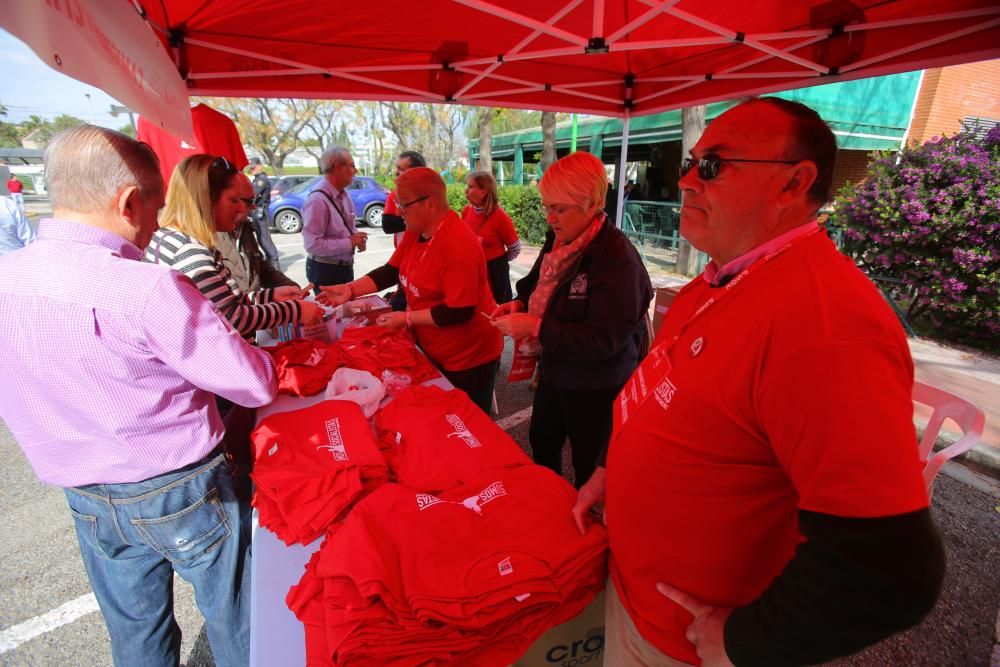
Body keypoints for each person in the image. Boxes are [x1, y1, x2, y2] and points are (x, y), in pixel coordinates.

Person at [572, 98, 944, 667]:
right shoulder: (721, 278)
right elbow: (659, 398)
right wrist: (607, 469)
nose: (688, 181)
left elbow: (891, 568)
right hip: (639, 602)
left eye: (713, 166)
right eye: (690, 163)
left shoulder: (826, 324)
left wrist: (750, 642)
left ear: (794, 183)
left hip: (689, 646)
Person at [0, 125, 277, 667]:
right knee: (236, 616)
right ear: (129, 203)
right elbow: (252, 381)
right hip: (182, 486)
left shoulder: (6, 277)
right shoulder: (148, 287)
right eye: (155, 211)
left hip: (85, 492)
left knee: (135, 632)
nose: (157, 226)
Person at [490, 151, 651, 489]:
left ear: (592, 204)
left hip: (597, 383)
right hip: (557, 369)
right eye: (546, 207)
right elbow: (535, 283)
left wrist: (535, 327)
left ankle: (587, 524)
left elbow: (604, 341)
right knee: (543, 439)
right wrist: (519, 304)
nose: (549, 218)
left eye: (558, 208)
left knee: (588, 461)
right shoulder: (561, 237)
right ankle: (551, 505)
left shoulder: (618, 261)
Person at [318, 167, 503, 413]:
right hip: (435, 344)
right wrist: (350, 290)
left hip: (469, 355)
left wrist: (405, 318)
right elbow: (391, 270)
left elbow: (459, 311)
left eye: (404, 205)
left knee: (468, 422)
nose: (398, 212)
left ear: (431, 203)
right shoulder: (417, 232)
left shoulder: (458, 246)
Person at [145, 154, 322, 341]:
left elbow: (219, 305)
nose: (243, 209)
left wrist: (269, 296)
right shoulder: (189, 251)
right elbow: (232, 319)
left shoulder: (171, 238)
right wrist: (295, 310)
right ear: (206, 197)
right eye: (234, 200)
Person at [217, 172, 303, 295]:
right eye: (249, 201)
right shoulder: (205, 237)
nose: (253, 207)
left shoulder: (244, 227)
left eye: (255, 200)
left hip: (254, 310)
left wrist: (289, 286)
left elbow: (259, 267)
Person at [303, 145, 367, 291]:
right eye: (352, 166)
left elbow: (349, 226)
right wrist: (349, 243)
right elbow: (312, 245)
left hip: (344, 267)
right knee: (331, 312)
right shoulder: (317, 201)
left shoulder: (344, 194)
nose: (355, 170)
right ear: (338, 168)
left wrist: (357, 238)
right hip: (326, 270)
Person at [461, 171, 521, 304]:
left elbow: (515, 248)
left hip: (495, 272)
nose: (466, 190)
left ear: (484, 192)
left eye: (470, 187)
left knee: (497, 308)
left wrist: (500, 260)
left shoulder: (499, 216)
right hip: (473, 269)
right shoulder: (466, 211)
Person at [382, 150, 426, 310]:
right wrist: (350, 289)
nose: (396, 172)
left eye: (401, 169)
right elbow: (387, 224)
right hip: (406, 259)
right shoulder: (410, 237)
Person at [247, 157, 281, 269]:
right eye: (250, 169)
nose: (251, 171)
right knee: (260, 239)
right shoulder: (256, 179)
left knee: (264, 239)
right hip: (255, 212)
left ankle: (275, 263)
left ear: (259, 166)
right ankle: (271, 261)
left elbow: (253, 194)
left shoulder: (262, 179)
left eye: (253, 168)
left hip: (260, 212)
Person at [0, 169, 34, 255]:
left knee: (20, 203)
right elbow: (29, 238)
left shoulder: (6, 204)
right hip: (17, 258)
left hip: (16, 257)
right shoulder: (5, 203)